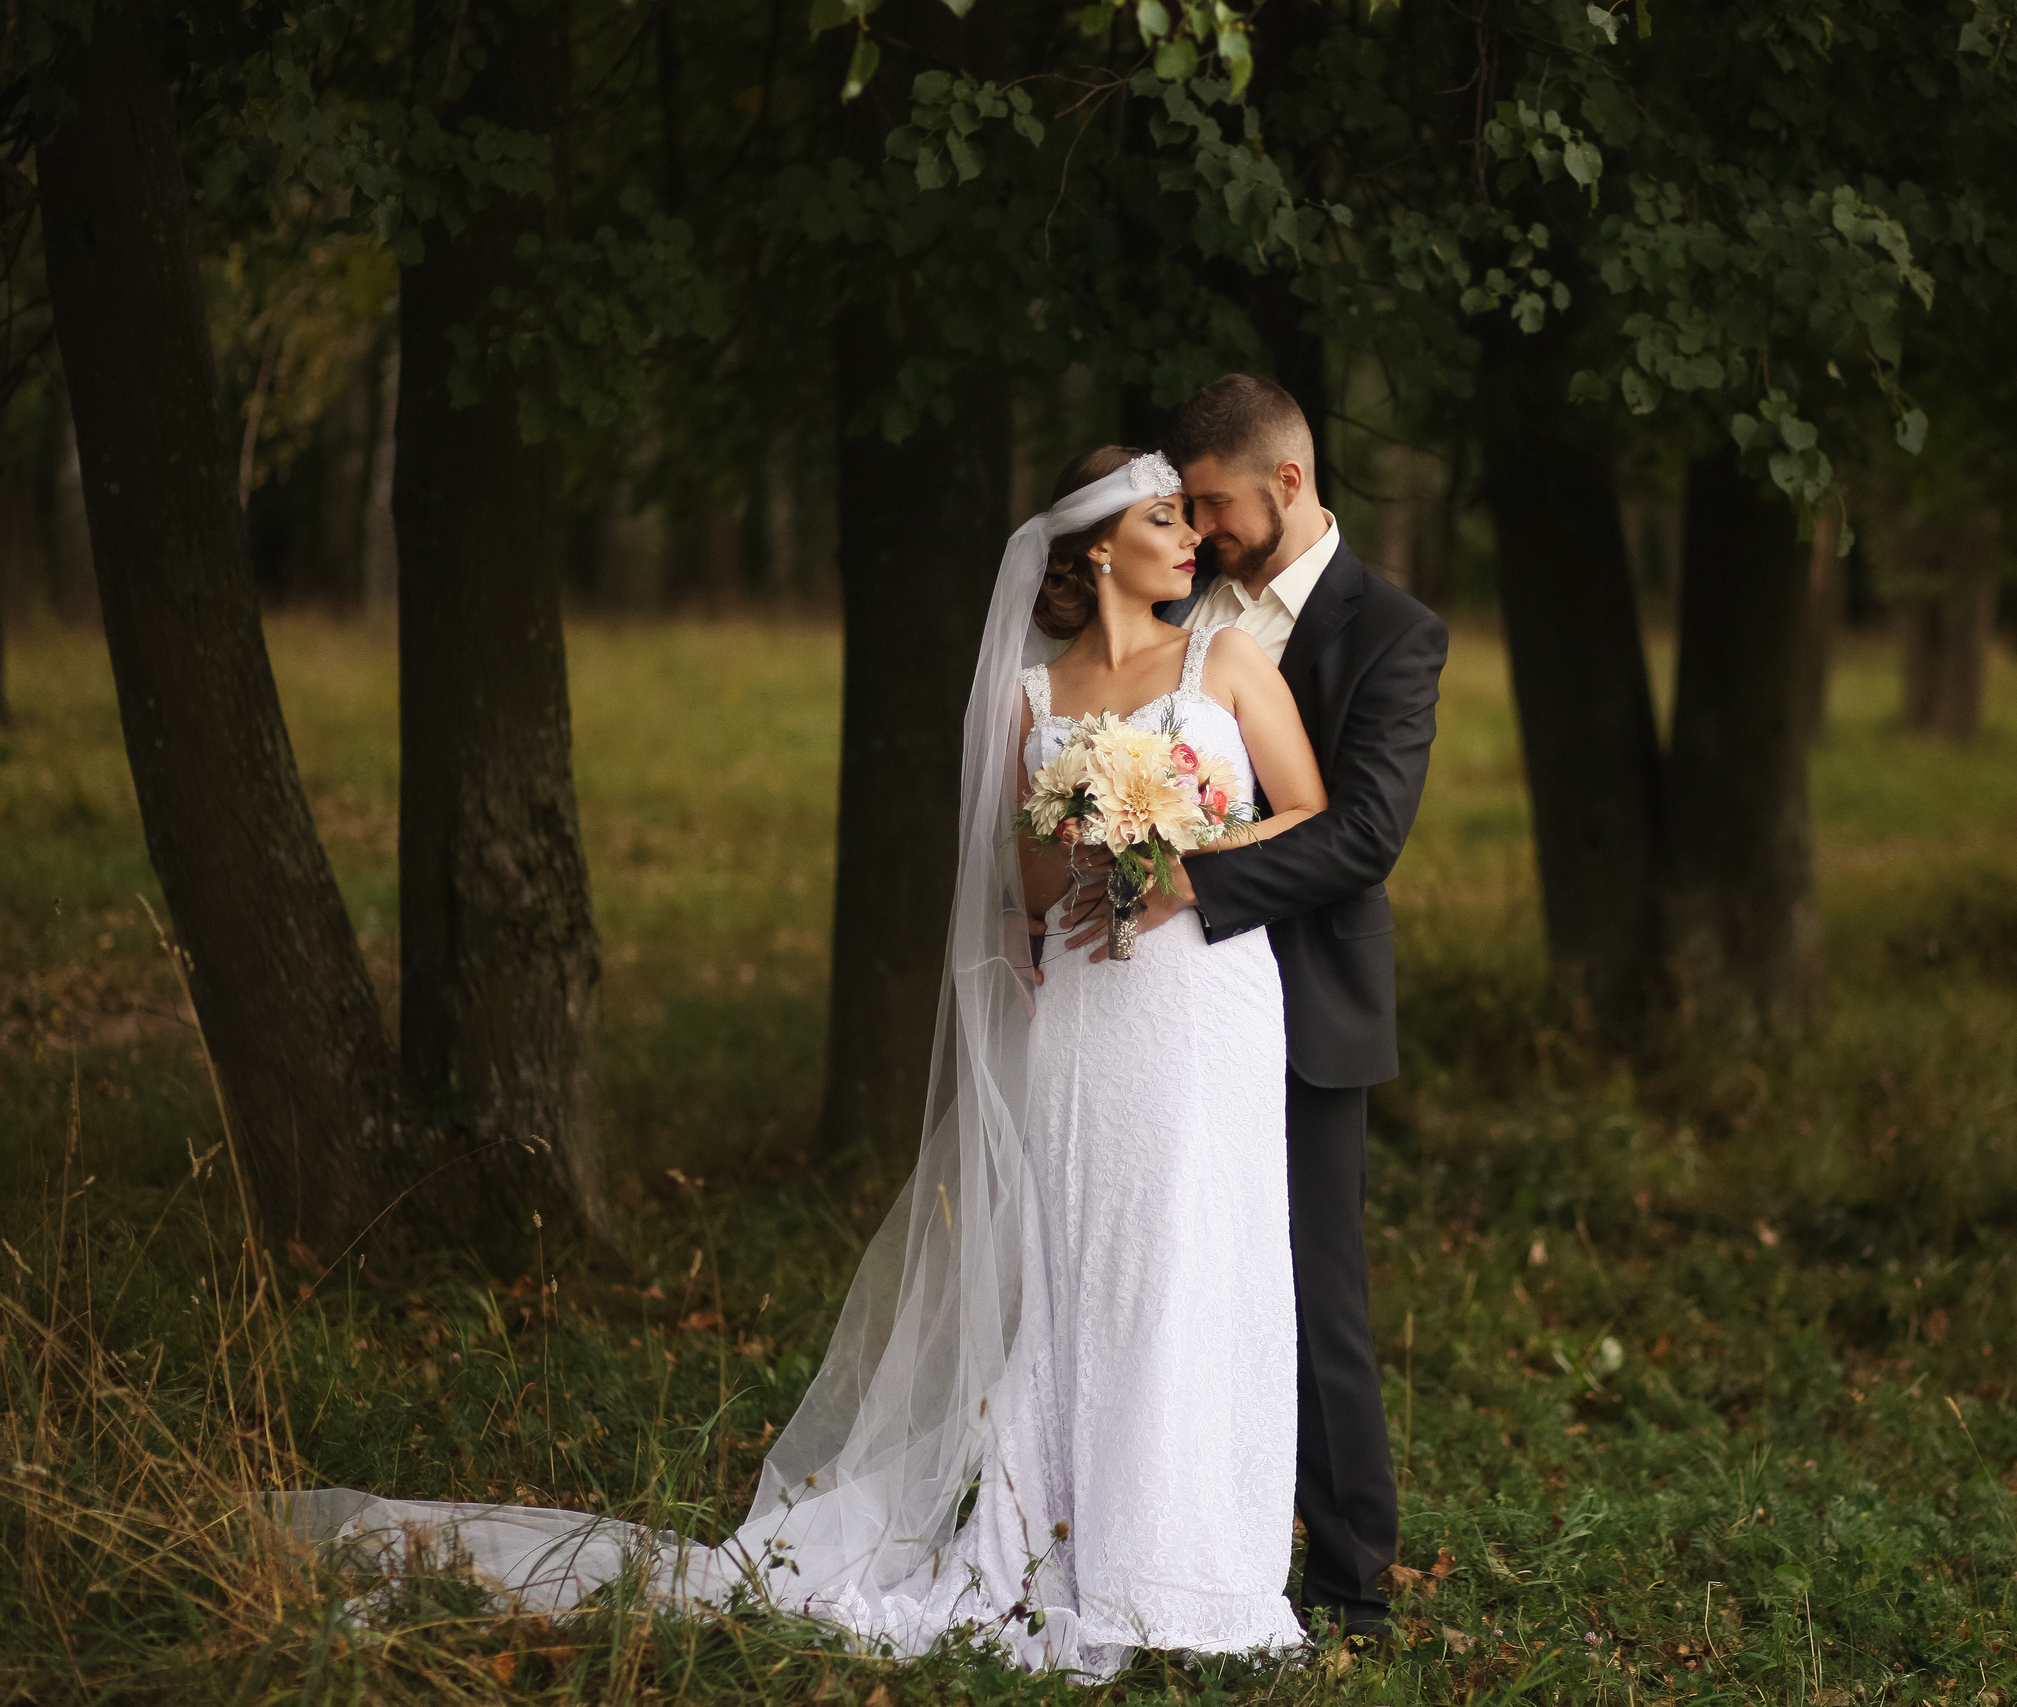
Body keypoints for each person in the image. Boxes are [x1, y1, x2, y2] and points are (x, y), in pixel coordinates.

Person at [274, 446, 1334, 1680]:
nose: (1191, 540)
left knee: (1201, 1256)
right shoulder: (1031, 702)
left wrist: (1177, 856)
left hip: (1202, 996)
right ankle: (1080, 1551)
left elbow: (1307, 810)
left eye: (1190, 521)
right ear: (1098, 545)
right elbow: (1026, 893)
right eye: (1165, 519)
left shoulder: (1226, 660)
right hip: (1088, 1016)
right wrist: (1092, 835)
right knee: (1085, 1266)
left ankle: (1203, 1569)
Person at [1057, 375, 1449, 1641]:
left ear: (1286, 482)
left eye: (1215, 502)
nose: (1201, 525)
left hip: (1304, 995)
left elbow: (1366, 834)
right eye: (1186, 507)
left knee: (1311, 1284)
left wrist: (1187, 879)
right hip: (1160, 1015)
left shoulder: (1392, 632)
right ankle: (1151, 1533)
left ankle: (1347, 1584)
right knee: (1161, 1268)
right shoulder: (1180, 598)